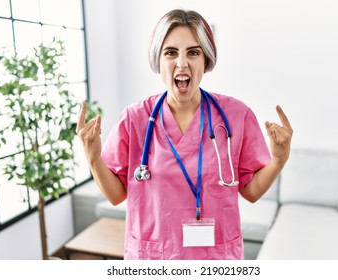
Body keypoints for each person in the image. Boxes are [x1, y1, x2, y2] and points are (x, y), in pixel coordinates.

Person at [76, 9, 293, 260]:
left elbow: (251, 192)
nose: (182, 63)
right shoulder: (134, 119)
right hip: (153, 258)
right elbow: (115, 195)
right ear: (158, 60)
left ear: (206, 60)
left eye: (193, 52)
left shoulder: (236, 116)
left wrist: (278, 160)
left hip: (214, 258)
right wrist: (93, 157)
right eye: (171, 52)